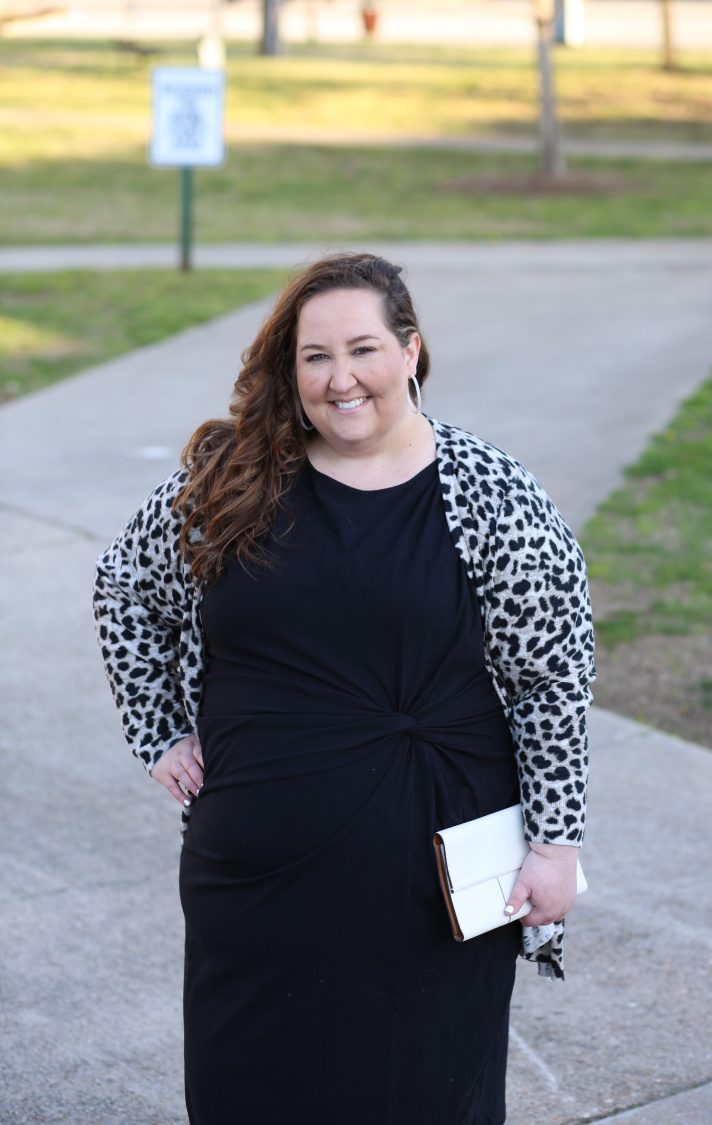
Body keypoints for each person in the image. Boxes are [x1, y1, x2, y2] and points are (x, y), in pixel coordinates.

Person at [93, 252, 595, 1125]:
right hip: (256, 893)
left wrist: (556, 844)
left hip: (432, 889)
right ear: (290, 372)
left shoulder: (494, 497)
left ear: (410, 351)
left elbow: (554, 677)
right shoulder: (234, 484)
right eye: (314, 356)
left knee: (426, 1092)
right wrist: (158, 731)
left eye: (362, 348)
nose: (340, 378)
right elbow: (125, 591)